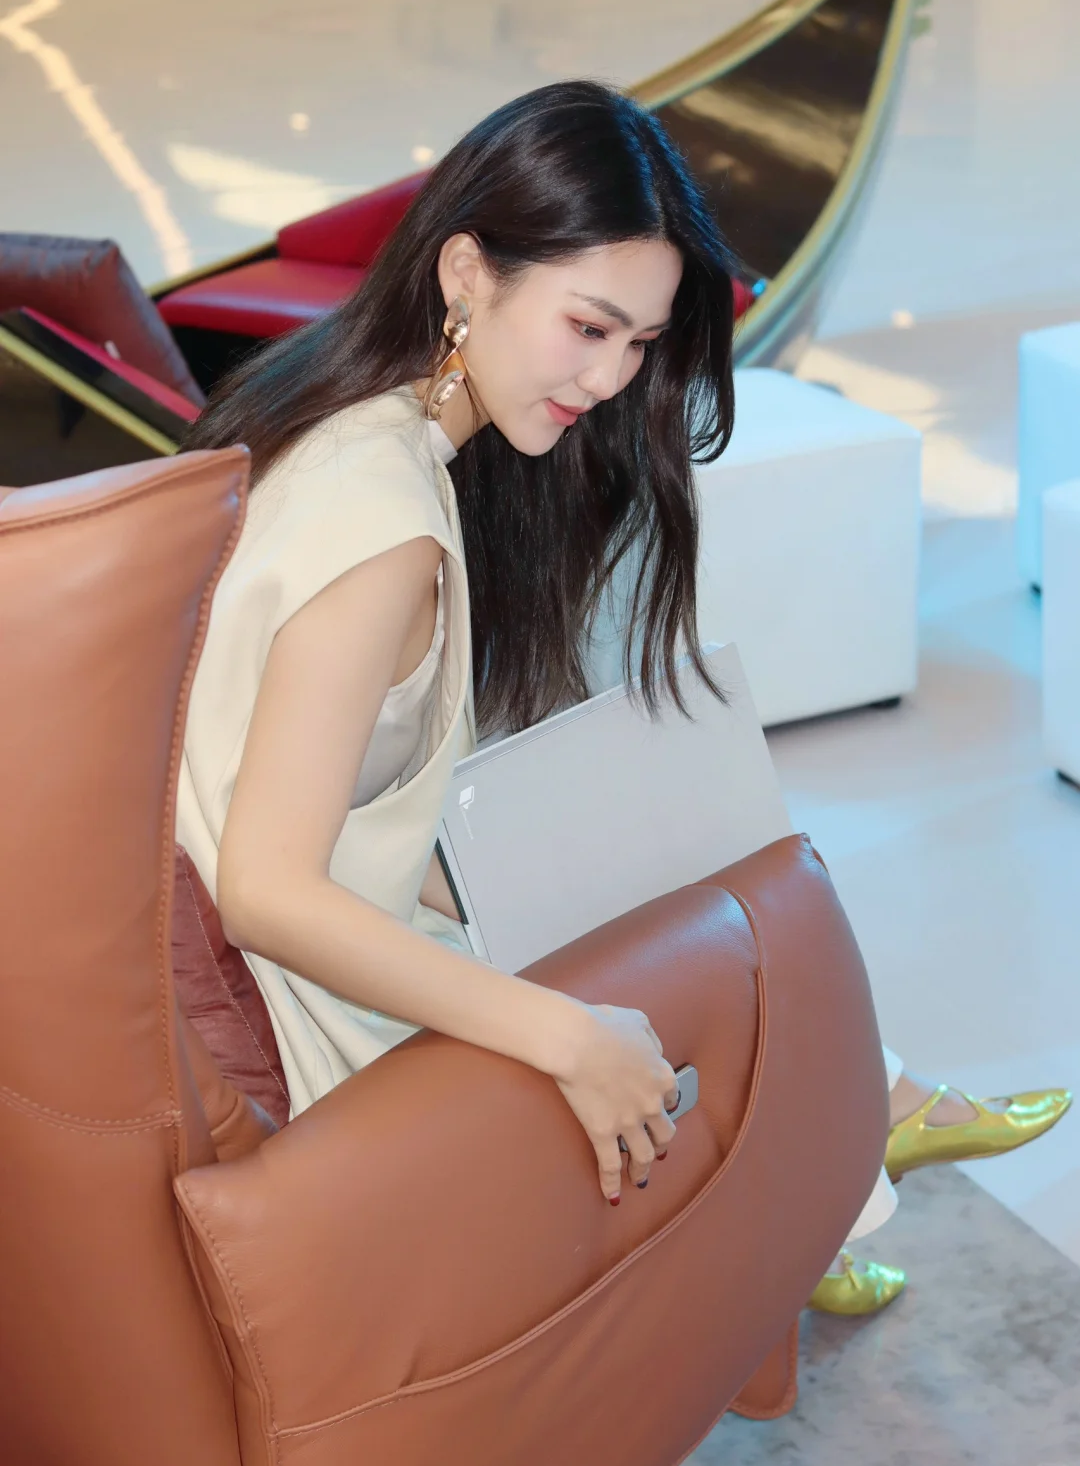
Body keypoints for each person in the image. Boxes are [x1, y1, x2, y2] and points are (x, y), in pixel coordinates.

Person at [178, 81, 1070, 1313]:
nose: (609, 378)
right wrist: (564, 1033)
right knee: (726, 930)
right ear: (466, 275)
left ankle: (848, 1155)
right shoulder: (379, 519)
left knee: (692, 872)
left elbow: (311, 801)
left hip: (332, 954)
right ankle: (835, 1173)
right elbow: (267, 891)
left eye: (640, 343)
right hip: (325, 1026)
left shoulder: (352, 429)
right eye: (589, 327)